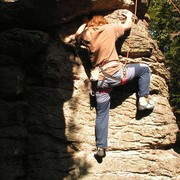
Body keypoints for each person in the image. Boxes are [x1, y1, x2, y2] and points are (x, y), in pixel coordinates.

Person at [68, 10, 154, 158]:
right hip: (116, 74)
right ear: (103, 22)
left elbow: (76, 35)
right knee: (144, 69)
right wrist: (128, 17)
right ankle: (143, 100)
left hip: (100, 81)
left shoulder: (87, 35)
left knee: (102, 114)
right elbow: (127, 26)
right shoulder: (109, 28)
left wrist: (84, 23)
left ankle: (101, 148)